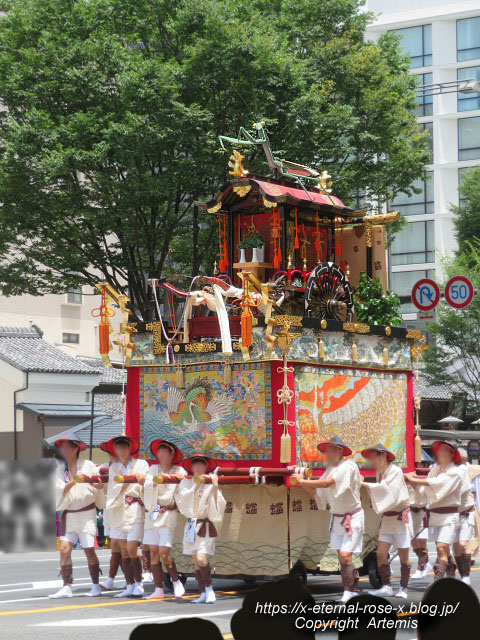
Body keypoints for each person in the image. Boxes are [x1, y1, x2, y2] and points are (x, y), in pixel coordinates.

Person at [291, 436, 363, 603]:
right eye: (325, 451)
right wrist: (302, 481)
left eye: (329, 450)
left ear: (339, 450)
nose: (326, 454)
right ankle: (352, 589)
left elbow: (327, 484)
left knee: (345, 556)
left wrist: (304, 480)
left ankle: (350, 590)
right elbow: (318, 494)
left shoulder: (349, 466)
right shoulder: (329, 470)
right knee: (343, 557)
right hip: (337, 518)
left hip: (353, 517)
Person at [51, 435, 105, 599]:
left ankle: (95, 584)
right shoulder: (60, 469)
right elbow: (59, 489)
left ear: (76, 449)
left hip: (86, 512)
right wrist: (75, 480)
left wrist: (98, 484)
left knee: (88, 549)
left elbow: (100, 483)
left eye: (67, 447)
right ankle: (67, 585)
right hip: (70, 513)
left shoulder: (87, 465)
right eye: (62, 448)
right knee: (64, 549)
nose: (63, 451)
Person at [360, 444, 412, 599]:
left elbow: (385, 489)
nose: (372, 461)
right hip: (388, 518)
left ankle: (403, 588)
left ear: (382, 456)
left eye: (373, 457)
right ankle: (386, 585)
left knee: (404, 553)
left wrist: (363, 483)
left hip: (399, 517)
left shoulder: (395, 471)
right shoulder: (379, 472)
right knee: (381, 552)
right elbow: (380, 490)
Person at [406, 440, 463, 581]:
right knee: (443, 548)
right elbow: (425, 491)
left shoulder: (455, 472)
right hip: (434, 515)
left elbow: (438, 484)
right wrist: (413, 482)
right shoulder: (435, 470)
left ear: (452, 454)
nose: (442, 453)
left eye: (446, 450)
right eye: (440, 450)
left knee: (441, 547)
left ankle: (437, 582)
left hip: (449, 515)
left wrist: (415, 479)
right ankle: (450, 571)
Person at [176, 454, 226, 604]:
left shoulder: (210, 482)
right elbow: (183, 500)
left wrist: (215, 487)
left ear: (205, 466)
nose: (198, 467)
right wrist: (195, 486)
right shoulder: (186, 483)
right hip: (191, 523)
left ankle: (210, 589)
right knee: (196, 561)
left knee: (202, 558)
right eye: (195, 464)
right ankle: (202, 591)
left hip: (205, 524)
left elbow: (219, 504)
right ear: (191, 467)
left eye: (201, 464)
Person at [142, 439, 186, 599]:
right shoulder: (154, 469)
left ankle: (176, 581)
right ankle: (158, 588)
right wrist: (152, 481)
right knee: (153, 552)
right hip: (153, 513)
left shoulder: (179, 470)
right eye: (158, 452)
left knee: (164, 553)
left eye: (163, 451)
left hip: (168, 514)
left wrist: (179, 478)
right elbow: (148, 484)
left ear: (171, 454)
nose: (160, 455)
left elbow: (185, 488)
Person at [106, 435, 149, 597]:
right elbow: (113, 488)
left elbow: (147, 483)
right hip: (119, 509)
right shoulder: (114, 468)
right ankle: (129, 584)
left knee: (131, 547)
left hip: (135, 508)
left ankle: (139, 583)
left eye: (125, 447)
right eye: (119, 448)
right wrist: (126, 483)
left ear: (130, 448)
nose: (122, 450)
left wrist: (142, 481)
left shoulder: (141, 464)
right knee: (123, 549)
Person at [98, 441, 124, 591]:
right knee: (116, 546)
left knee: (121, 545)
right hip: (110, 508)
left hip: (124, 508)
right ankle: (123, 578)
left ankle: (115, 578)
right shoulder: (103, 466)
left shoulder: (127, 466)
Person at [453, 447, 476, 584]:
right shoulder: (451, 471)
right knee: (455, 546)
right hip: (453, 513)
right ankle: (462, 575)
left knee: (463, 543)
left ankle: (466, 575)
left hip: (466, 512)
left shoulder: (469, 471)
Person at [407, 471, 432, 580]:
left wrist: (412, 480)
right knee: (413, 542)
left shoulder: (422, 481)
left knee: (421, 541)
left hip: (421, 512)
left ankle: (420, 567)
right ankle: (426, 563)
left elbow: (421, 496)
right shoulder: (404, 482)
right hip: (410, 512)